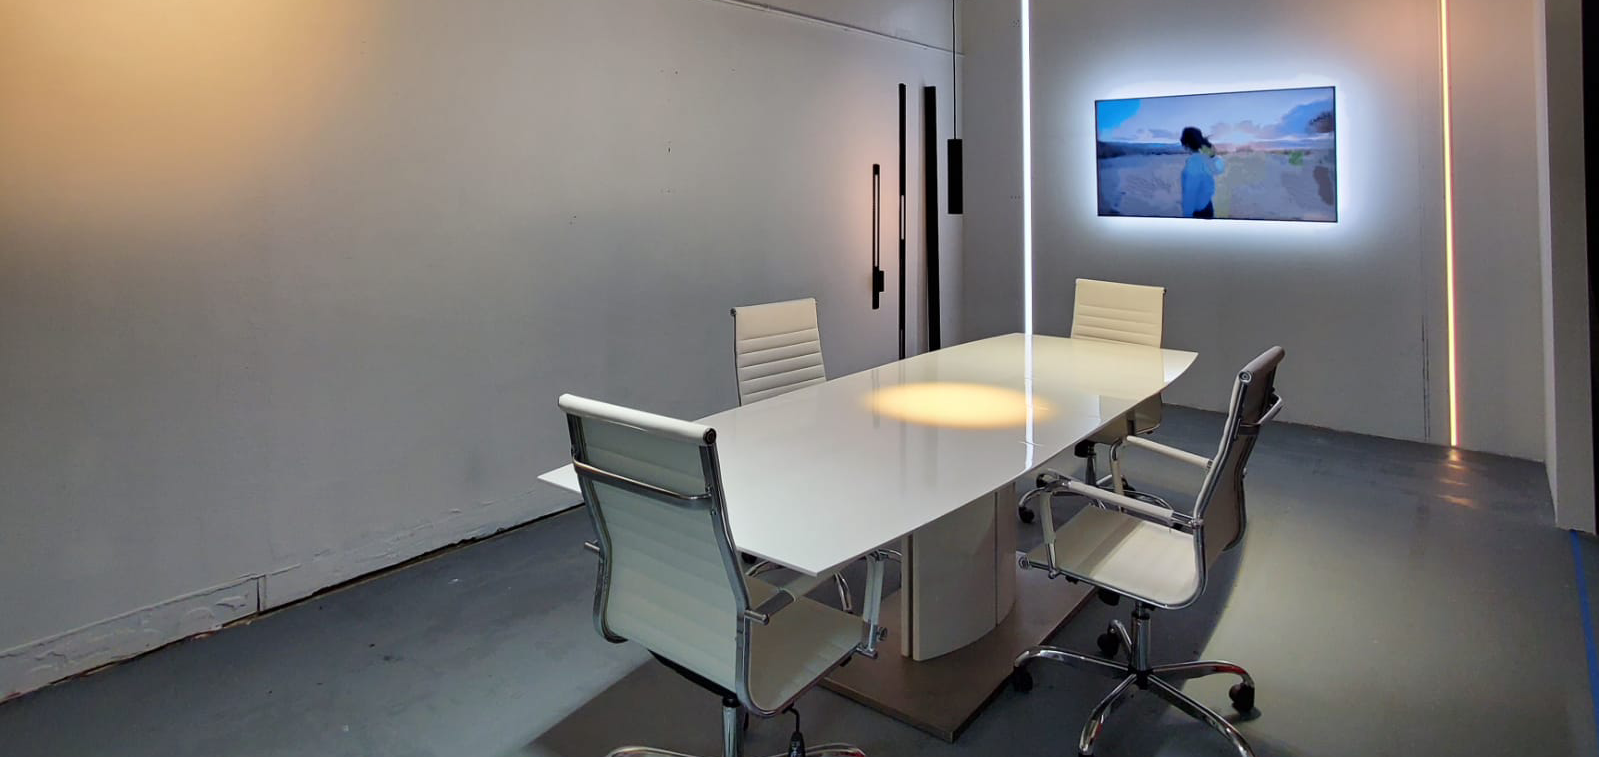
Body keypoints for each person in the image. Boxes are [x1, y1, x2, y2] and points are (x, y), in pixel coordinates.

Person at [1179, 126, 1225, 219]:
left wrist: (1187, 215)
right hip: (1207, 206)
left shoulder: (1193, 162)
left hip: (1197, 211)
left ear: (1186, 144)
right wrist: (1210, 154)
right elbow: (1219, 168)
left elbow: (1190, 192)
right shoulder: (1206, 159)